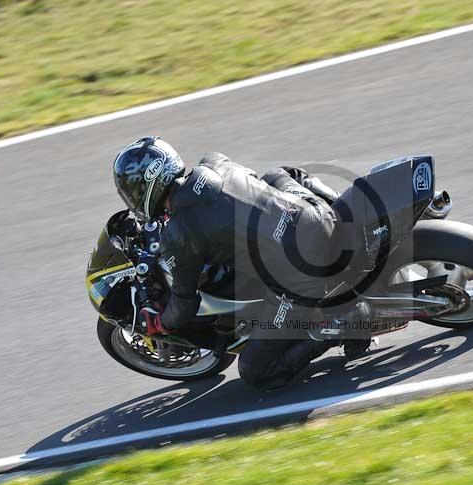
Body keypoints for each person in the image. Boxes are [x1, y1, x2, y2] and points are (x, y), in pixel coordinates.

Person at [112, 136, 364, 390]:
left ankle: (341, 326)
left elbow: (185, 303)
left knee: (254, 370)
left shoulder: (179, 234)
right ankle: (345, 211)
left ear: (146, 189)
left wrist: (158, 323)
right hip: (318, 216)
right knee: (277, 175)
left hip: (304, 276)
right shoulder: (213, 162)